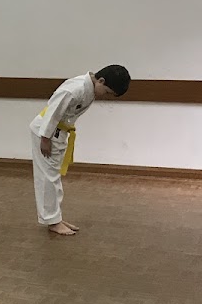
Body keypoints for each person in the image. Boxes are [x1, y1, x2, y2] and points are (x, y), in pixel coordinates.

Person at [30, 65, 131, 235]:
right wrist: (45, 139)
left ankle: (55, 217)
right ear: (101, 80)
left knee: (53, 176)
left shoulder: (88, 88)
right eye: (107, 92)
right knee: (48, 177)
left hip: (58, 132)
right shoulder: (75, 90)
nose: (105, 96)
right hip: (47, 132)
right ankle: (52, 221)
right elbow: (53, 112)